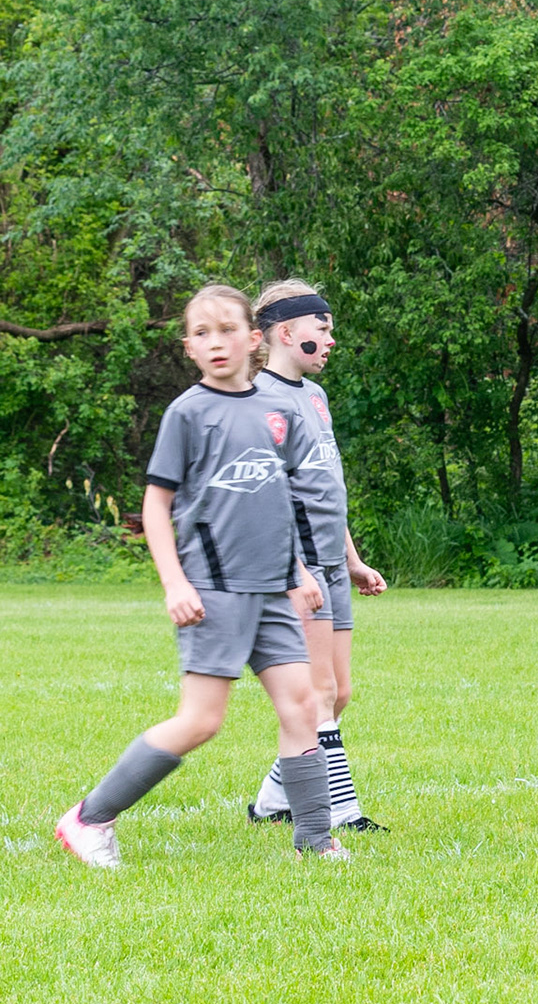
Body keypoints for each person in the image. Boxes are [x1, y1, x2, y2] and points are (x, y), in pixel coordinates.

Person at [55, 285, 342, 867]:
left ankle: (315, 841)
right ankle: (88, 818)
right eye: (202, 334)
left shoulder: (279, 411)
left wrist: (294, 572)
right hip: (215, 591)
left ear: (253, 338)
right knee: (201, 721)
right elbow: (157, 506)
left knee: (303, 706)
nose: (217, 343)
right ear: (188, 346)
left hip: (270, 592)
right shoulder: (188, 414)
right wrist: (175, 583)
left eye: (228, 330)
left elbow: (274, 502)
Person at [245, 280, 390, 832]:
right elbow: (266, 499)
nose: (331, 340)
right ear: (286, 333)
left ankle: (271, 800)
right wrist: (295, 569)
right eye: (322, 329)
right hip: (298, 568)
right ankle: (342, 811)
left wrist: (351, 560)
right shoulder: (260, 402)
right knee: (318, 694)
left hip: (331, 564)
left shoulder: (314, 395)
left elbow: (327, 487)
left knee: (339, 693)